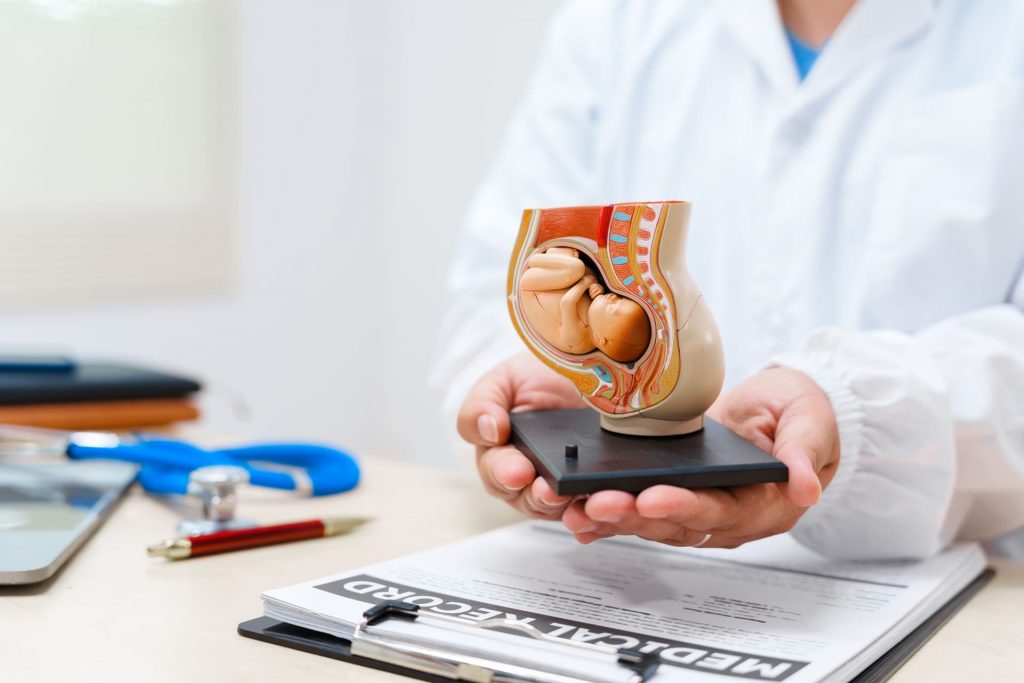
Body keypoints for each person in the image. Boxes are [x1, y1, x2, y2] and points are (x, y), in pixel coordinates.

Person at [433, 0, 1024, 560]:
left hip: (969, 587)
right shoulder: (620, 19)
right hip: (614, 563)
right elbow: (498, 282)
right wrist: (546, 379)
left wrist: (855, 418)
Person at [519, 246, 651, 362]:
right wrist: (596, 288)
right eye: (619, 299)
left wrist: (587, 282)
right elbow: (587, 298)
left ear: (600, 338)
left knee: (576, 268)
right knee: (580, 270)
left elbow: (567, 303)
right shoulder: (595, 319)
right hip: (551, 285)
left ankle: (534, 260)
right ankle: (557, 258)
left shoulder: (578, 340)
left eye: (612, 307)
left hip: (532, 286)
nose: (612, 297)